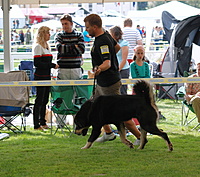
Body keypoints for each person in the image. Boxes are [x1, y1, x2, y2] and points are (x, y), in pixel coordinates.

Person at [84, 14, 141, 144]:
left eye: (88, 27)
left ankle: (139, 136)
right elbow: (117, 48)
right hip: (103, 82)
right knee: (96, 107)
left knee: (121, 113)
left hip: (109, 83)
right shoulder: (105, 35)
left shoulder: (102, 40)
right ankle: (108, 133)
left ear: (94, 26)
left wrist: (99, 69)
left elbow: (107, 63)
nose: (86, 30)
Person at [33, 26, 59, 130]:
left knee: (45, 100)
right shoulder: (38, 47)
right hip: (40, 77)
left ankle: (43, 122)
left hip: (47, 76)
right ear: (43, 34)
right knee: (39, 100)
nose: (49, 35)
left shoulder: (46, 47)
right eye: (48, 33)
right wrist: (52, 65)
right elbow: (37, 63)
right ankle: (36, 124)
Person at [55, 14, 85, 80]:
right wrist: (74, 46)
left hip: (76, 68)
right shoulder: (59, 35)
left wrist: (65, 47)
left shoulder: (79, 34)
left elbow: (81, 50)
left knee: (77, 89)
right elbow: (59, 49)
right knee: (63, 89)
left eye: (66, 24)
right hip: (63, 69)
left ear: (71, 23)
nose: (64, 26)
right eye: (62, 24)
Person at [109, 25, 130, 95]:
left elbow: (124, 60)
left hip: (123, 69)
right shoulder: (112, 43)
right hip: (114, 69)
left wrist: (117, 70)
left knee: (122, 90)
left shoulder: (124, 43)